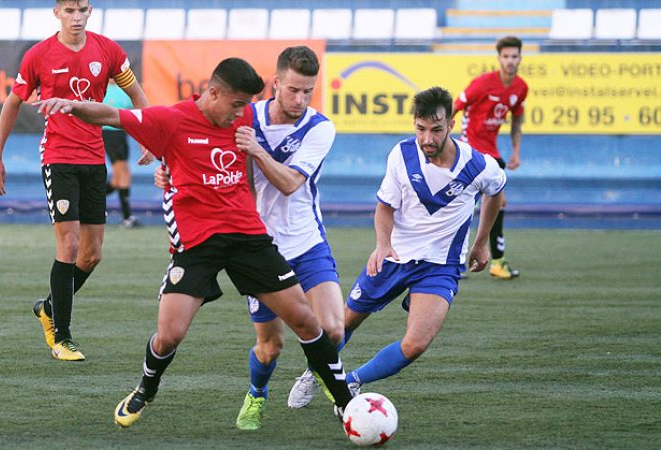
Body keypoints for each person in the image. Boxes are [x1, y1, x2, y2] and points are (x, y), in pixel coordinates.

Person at [34, 57, 354, 428]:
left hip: (248, 237)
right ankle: (145, 389)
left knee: (305, 320)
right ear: (214, 93)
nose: (241, 114)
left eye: (245, 106)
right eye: (236, 105)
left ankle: (347, 404)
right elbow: (111, 116)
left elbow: (253, 168)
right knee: (169, 335)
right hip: (197, 243)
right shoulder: (172, 120)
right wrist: (71, 106)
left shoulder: (245, 118)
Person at [153, 46, 345, 431]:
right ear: (275, 83)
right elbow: (198, 145)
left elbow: (291, 183)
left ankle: (320, 375)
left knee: (333, 329)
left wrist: (256, 149)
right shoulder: (243, 114)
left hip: (306, 242)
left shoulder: (320, 128)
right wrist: (170, 173)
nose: (300, 99)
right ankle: (257, 394)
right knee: (271, 346)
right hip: (256, 247)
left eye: (308, 91)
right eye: (293, 90)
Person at [296, 86, 506, 401]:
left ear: (450, 124)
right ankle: (313, 373)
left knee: (416, 343)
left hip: (439, 266)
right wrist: (382, 245)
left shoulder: (477, 165)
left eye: (436, 130)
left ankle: (350, 381)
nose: (428, 139)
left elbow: (497, 190)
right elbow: (384, 207)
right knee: (342, 325)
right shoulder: (402, 155)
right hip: (394, 256)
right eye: (421, 129)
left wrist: (481, 242)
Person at [0, 0, 149, 361]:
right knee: (70, 244)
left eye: (84, 10)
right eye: (70, 10)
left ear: (90, 12)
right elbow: (13, 103)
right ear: (57, 12)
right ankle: (62, 337)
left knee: (92, 255)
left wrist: (149, 137)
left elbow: (137, 96)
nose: (77, 17)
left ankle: (48, 308)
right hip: (58, 158)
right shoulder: (38, 55)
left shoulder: (107, 50)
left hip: (94, 159)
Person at [451, 35, 529, 280]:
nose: (510, 61)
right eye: (505, 56)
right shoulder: (482, 83)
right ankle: (457, 262)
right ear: (499, 58)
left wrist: (516, 151)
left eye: (514, 56)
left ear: (519, 58)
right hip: (470, 148)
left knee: (497, 202)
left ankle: (495, 261)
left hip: (492, 151)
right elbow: (454, 107)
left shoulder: (520, 88)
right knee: (465, 203)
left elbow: (516, 119)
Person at [102, 80, 140, 228]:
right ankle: (126, 216)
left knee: (119, 179)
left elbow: (135, 111)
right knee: (122, 173)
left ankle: (88, 202)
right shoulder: (103, 88)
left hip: (121, 133)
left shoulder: (125, 89)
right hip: (110, 133)